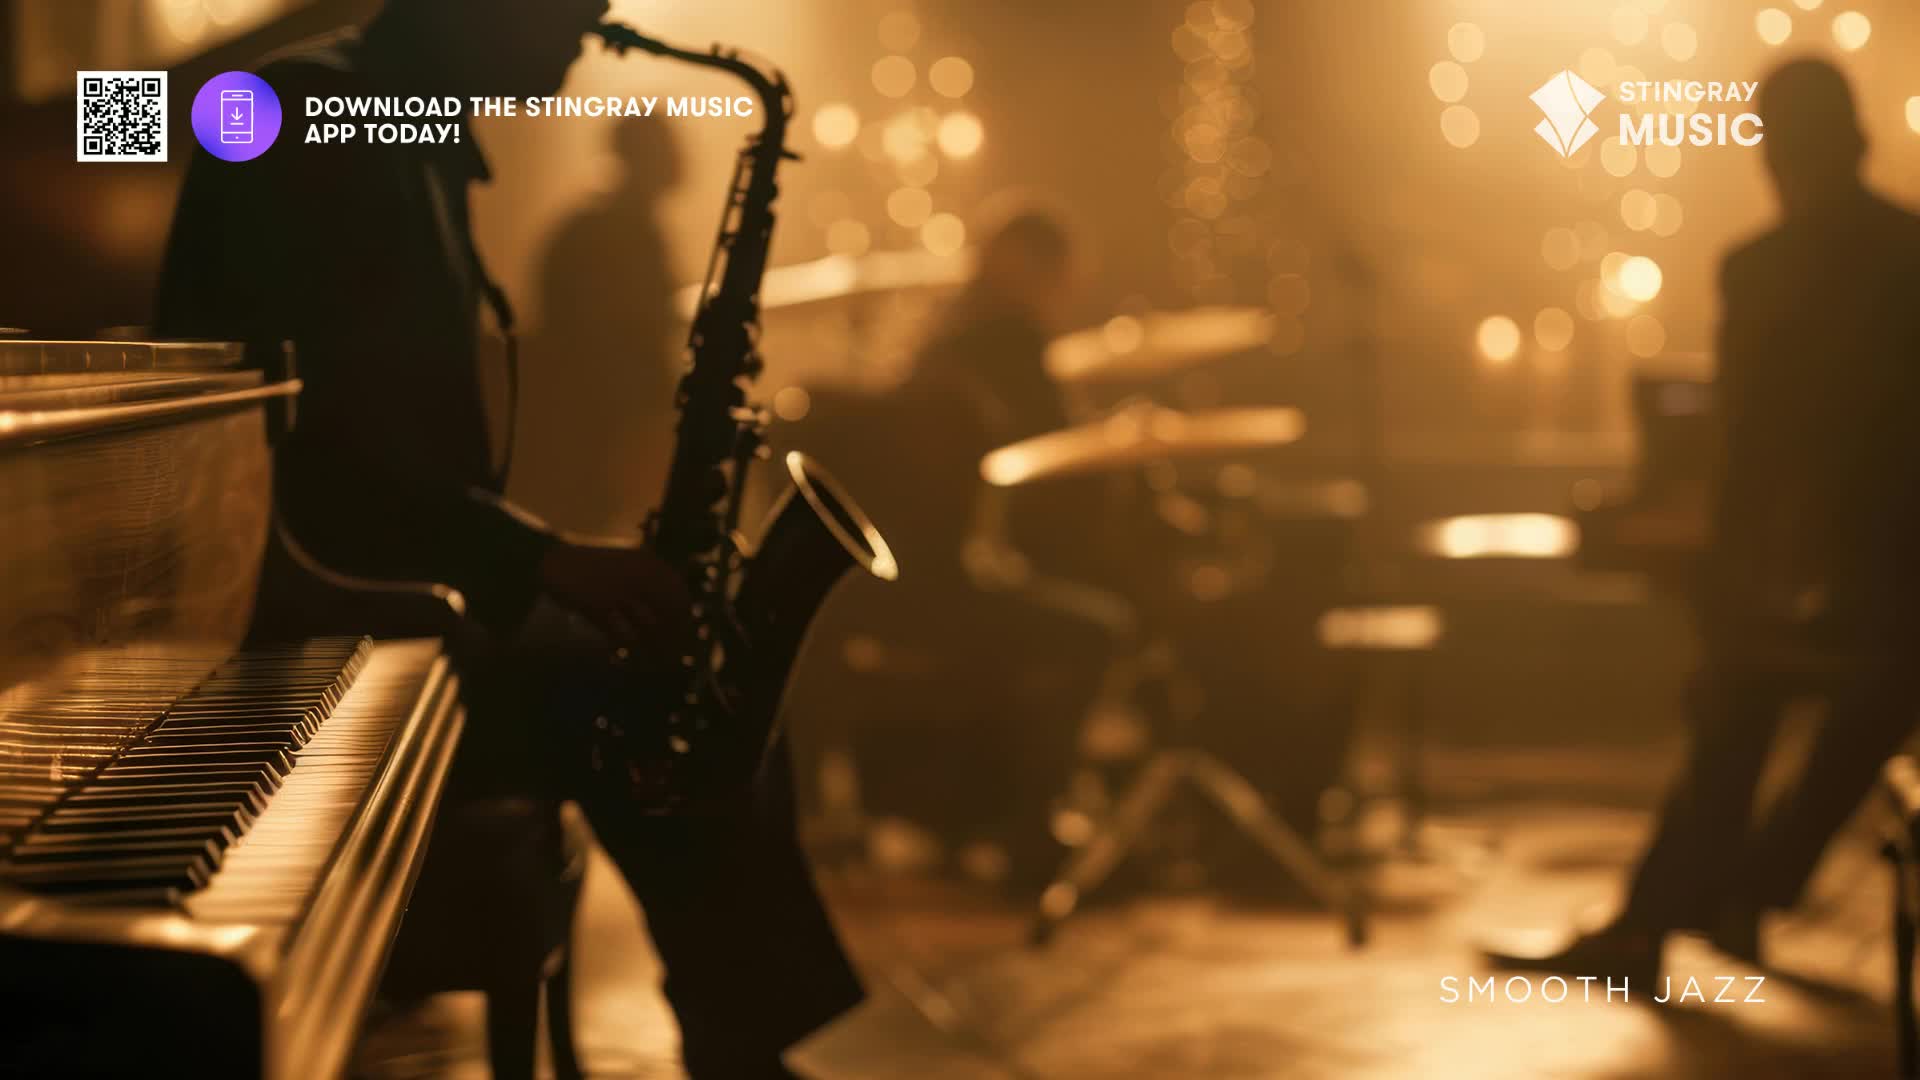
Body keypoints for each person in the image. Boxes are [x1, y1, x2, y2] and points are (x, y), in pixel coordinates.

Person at [154, 1, 863, 1074]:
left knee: (703, 678)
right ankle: (759, 1045)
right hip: (310, 624)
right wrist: (544, 559)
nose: (593, 21)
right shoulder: (316, 114)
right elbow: (309, 464)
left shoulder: (394, 123)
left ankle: (756, 1036)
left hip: (391, 594)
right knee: (666, 685)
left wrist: (538, 557)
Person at [1488, 58, 1920, 985]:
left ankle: (1664, 920)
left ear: (1772, 151)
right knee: (1862, 705)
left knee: (1731, 703)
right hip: (1897, 584)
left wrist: (1721, 557)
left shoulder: (1757, 271)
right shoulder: (1912, 251)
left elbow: (1749, 446)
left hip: (1803, 575)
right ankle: (1747, 890)